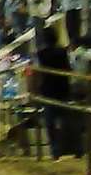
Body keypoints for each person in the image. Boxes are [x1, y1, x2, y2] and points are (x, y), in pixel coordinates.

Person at [31, 29, 76, 158]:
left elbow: (37, 72)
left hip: (48, 90)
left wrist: (35, 89)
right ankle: (75, 148)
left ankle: (55, 151)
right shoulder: (63, 52)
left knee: (50, 122)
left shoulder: (40, 54)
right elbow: (69, 68)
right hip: (63, 89)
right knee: (67, 120)